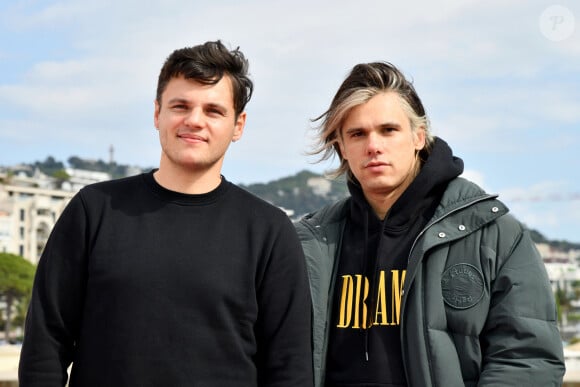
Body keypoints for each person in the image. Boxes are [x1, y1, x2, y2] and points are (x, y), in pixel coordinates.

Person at [19, 40, 313, 387]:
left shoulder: (270, 231)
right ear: (158, 113)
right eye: (180, 106)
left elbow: (290, 369)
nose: (194, 120)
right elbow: (45, 347)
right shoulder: (93, 210)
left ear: (238, 125)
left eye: (213, 111)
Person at [295, 61, 565, 386]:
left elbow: (528, 357)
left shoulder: (492, 232)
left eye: (388, 130)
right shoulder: (312, 243)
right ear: (341, 147)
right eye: (357, 134)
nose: (374, 146)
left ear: (419, 137)